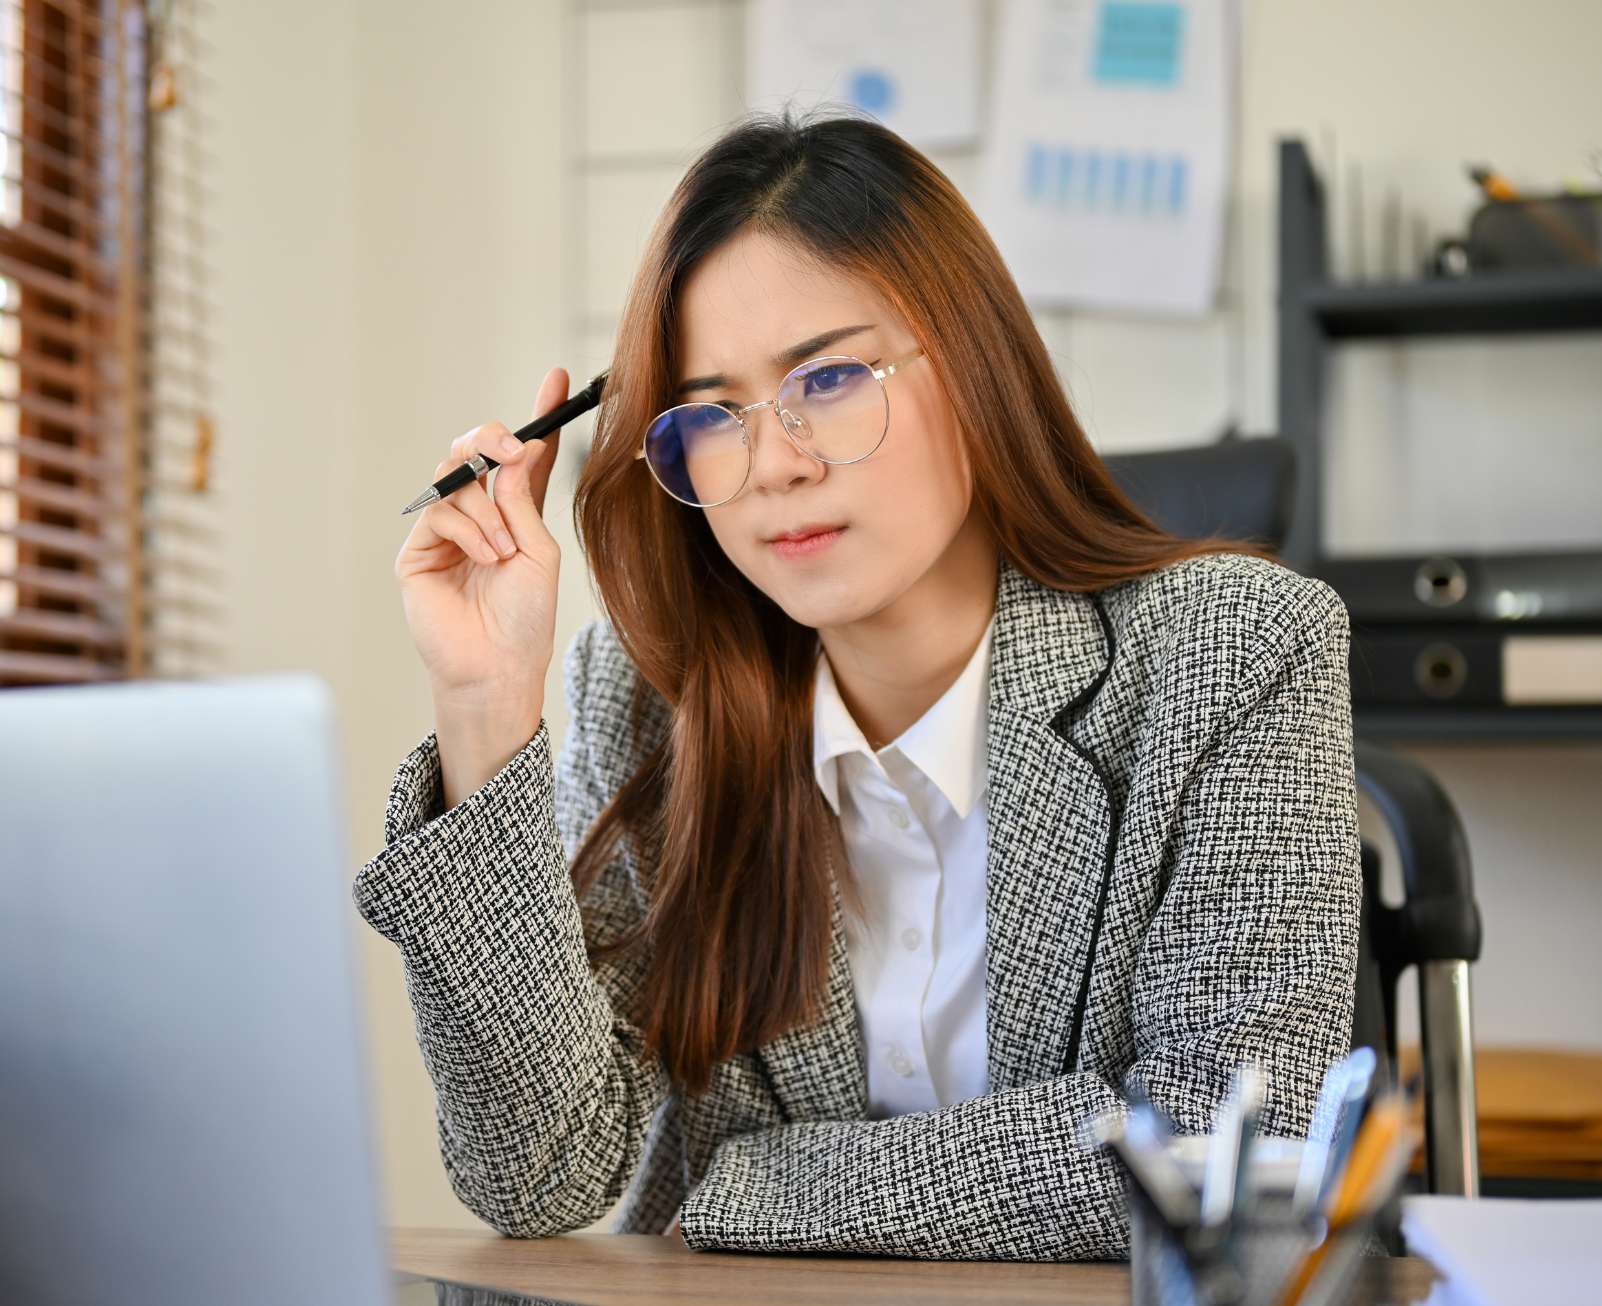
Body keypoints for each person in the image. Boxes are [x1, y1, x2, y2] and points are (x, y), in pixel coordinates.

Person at [355, 113, 1358, 1261]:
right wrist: (485, 707)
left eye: (827, 378)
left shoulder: (1236, 651)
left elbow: (1226, 1150)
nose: (773, 461)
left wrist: (753, 1187)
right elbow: (534, 1175)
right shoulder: (642, 698)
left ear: (975, 366)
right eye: (711, 413)